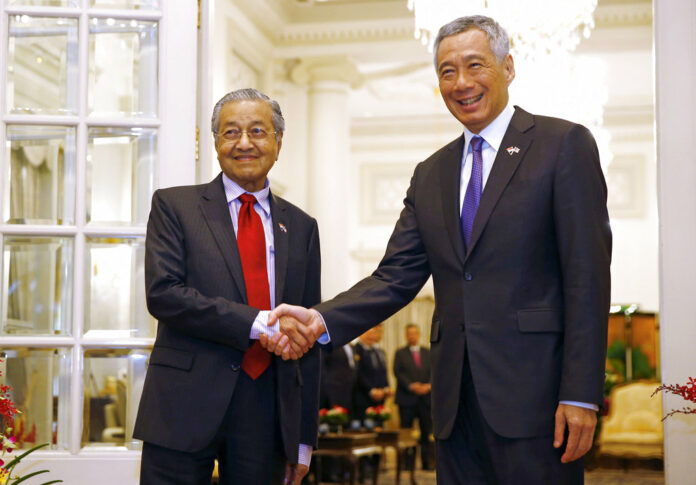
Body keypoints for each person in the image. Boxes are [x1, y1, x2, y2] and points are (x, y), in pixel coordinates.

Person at [262, 14, 611, 485]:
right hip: (453, 406)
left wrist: (582, 394)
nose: (461, 82)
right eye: (447, 71)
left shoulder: (562, 145)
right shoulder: (431, 173)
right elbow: (394, 277)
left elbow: (587, 280)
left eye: (475, 65)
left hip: (537, 400)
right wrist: (320, 320)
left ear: (507, 67)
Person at [133, 88, 321, 485]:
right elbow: (163, 294)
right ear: (216, 143)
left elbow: (308, 336)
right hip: (181, 406)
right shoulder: (175, 207)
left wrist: (302, 439)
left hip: (266, 411)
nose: (245, 143)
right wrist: (257, 323)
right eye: (231, 132)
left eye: (257, 131)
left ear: (278, 142)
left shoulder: (302, 227)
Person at [393, 324, 433, 470]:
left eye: (414, 333)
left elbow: (435, 371)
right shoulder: (400, 353)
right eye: (409, 334)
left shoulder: (428, 352)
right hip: (407, 399)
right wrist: (411, 386)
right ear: (406, 335)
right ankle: (407, 464)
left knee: (425, 433)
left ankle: (426, 463)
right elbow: (397, 372)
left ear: (419, 334)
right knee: (406, 433)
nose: (412, 336)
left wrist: (428, 386)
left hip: (425, 399)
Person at [353, 324, 392, 420]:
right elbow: (358, 373)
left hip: (380, 396)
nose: (370, 336)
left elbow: (383, 371)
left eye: (372, 333)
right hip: (363, 395)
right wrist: (371, 390)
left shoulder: (379, 351)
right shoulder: (356, 350)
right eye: (367, 333)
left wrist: (386, 387)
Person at [320, 343, 357, 417]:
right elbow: (323, 365)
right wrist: (327, 383)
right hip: (333, 386)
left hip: (348, 386)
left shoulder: (352, 347)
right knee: (334, 415)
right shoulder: (331, 344)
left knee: (346, 415)